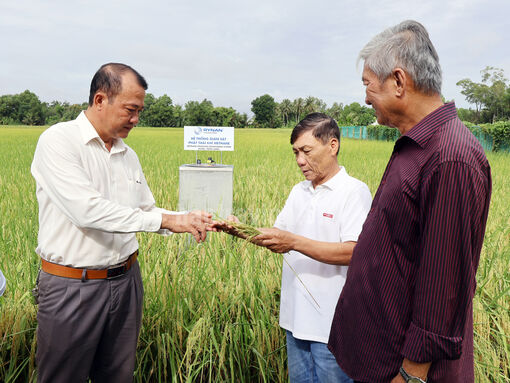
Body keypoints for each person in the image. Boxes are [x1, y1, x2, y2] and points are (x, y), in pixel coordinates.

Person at [327, 20, 492, 383]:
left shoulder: (451, 157)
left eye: (368, 84)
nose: (364, 97)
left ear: (399, 81)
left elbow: (443, 288)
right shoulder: (415, 145)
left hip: (403, 374)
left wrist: (410, 376)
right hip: (380, 360)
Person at [31, 63, 213, 383]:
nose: (136, 119)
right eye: (131, 109)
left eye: (139, 111)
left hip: (127, 282)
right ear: (100, 100)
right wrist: (168, 219)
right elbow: (88, 212)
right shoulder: (58, 141)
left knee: (118, 375)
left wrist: (188, 219)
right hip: (74, 286)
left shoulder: (127, 154)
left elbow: (146, 209)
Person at [216, 113, 372, 382]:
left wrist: (294, 242)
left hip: (333, 329)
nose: (300, 160)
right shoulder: (299, 191)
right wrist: (240, 231)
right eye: (296, 152)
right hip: (295, 322)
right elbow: (279, 236)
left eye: (307, 151)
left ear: (332, 145)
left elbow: (353, 252)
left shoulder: (353, 191)